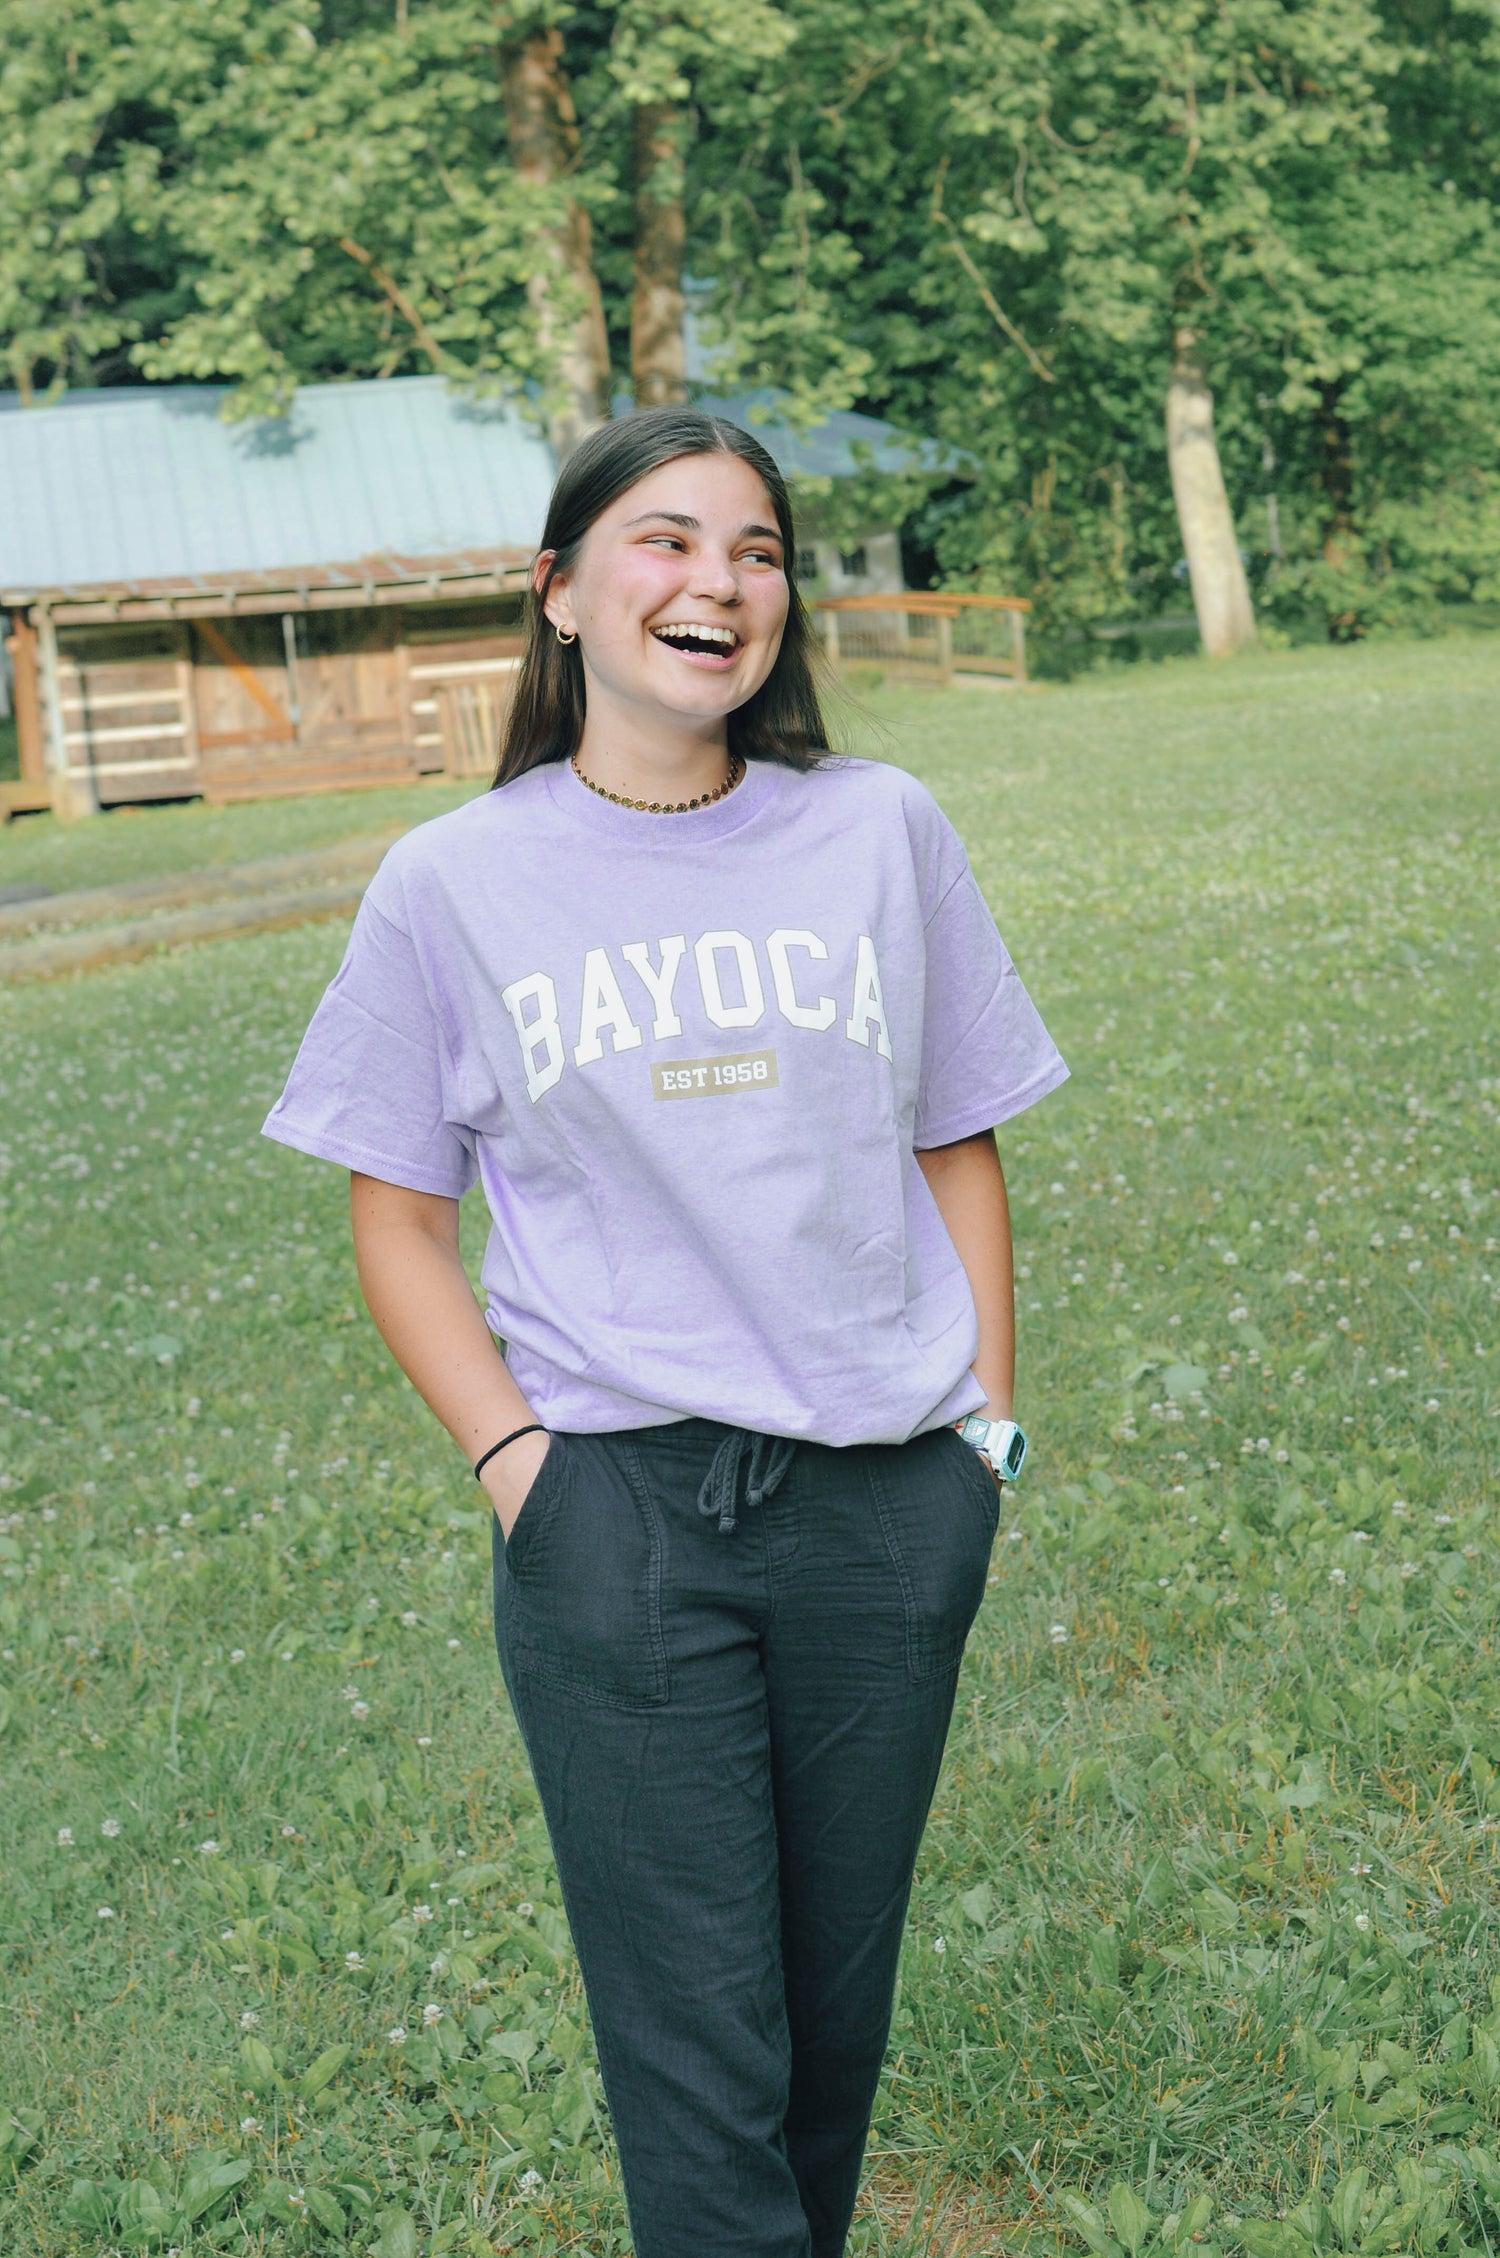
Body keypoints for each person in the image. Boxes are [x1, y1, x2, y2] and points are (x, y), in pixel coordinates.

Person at [262, 406, 1068, 2258]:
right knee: (699, 2053)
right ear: (559, 591)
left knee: (828, 2030)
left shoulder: (879, 829)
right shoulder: (451, 883)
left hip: (886, 1504)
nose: (719, 580)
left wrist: (985, 1439)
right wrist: (519, 1469)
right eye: (668, 539)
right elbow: (397, 1216)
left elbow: (959, 1134)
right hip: (617, 1517)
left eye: (758, 550)